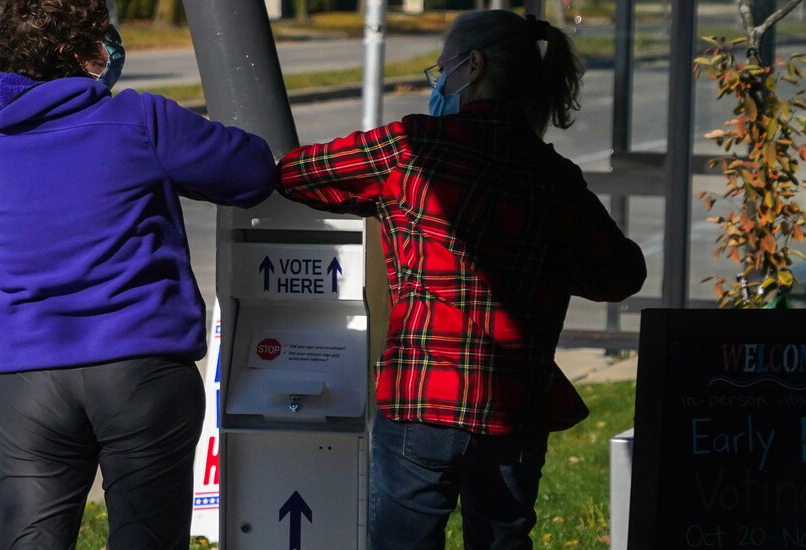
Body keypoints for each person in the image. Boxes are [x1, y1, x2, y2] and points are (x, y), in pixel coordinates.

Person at [276, 10, 646, 550]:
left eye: (441, 69)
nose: (438, 83)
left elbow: (295, 174)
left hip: (424, 396)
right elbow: (622, 275)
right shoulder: (557, 181)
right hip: (517, 406)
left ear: (473, 66)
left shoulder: (413, 147)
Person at [0, 1, 277, 548]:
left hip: (30, 380)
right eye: (105, 39)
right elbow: (251, 171)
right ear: (82, 53)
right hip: (141, 369)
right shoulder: (140, 119)